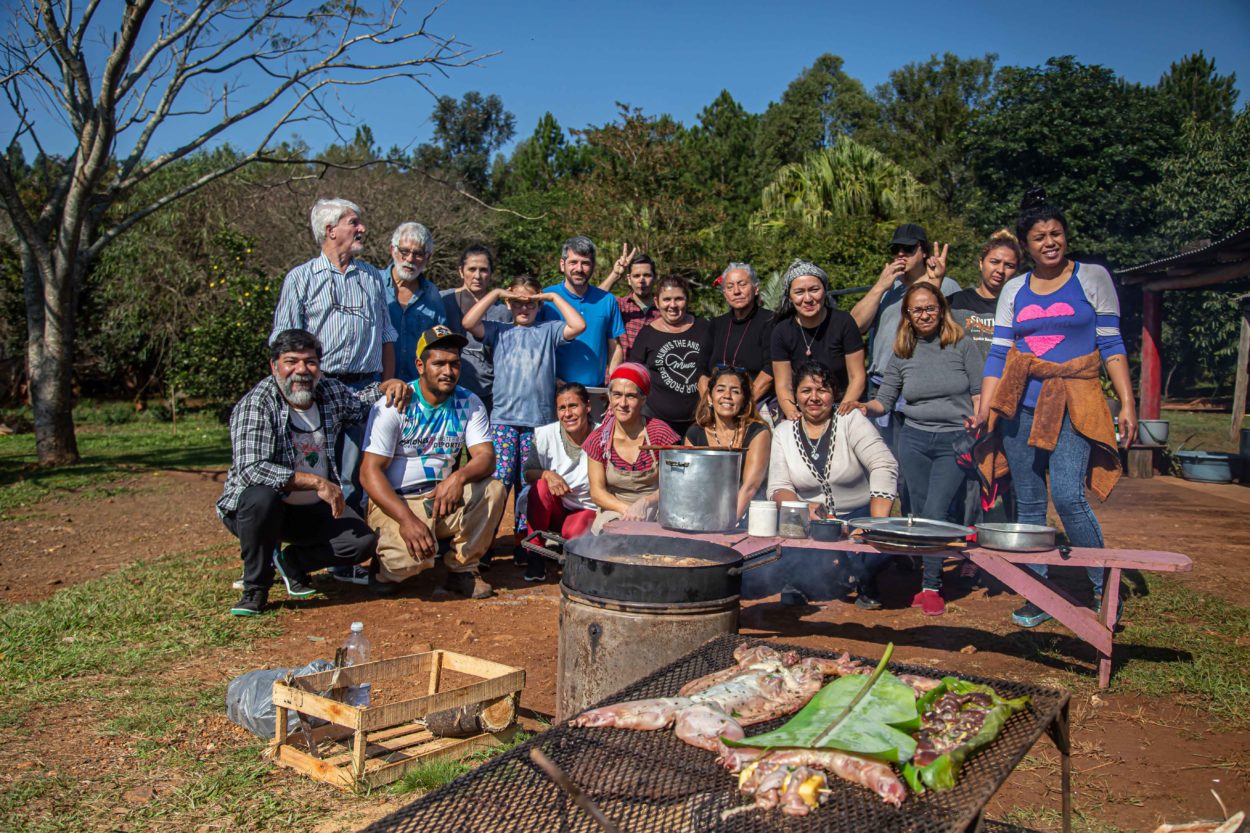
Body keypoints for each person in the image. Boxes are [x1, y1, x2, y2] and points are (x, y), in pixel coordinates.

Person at [973, 188, 1137, 628]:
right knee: (1028, 501)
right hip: (1021, 405)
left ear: (1066, 237)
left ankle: (1105, 589)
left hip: (1075, 402)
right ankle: (1038, 593)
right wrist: (988, 407)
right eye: (1040, 236)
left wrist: (1127, 401)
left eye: (1056, 234)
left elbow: (1111, 343)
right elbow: (999, 355)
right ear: (1026, 247)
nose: (1050, 242)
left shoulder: (1093, 278)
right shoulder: (1014, 288)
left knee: (1067, 495)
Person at [216, 329, 410, 616]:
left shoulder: (328, 391)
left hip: (310, 511)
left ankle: (292, 563)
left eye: (310, 362)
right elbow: (250, 470)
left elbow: (359, 405)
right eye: (291, 362)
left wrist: (387, 387)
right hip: (259, 512)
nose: (302, 371)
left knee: (362, 542)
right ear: (274, 366)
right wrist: (317, 482)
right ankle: (255, 588)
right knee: (261, 497)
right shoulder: (257, 403)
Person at [858, 284, 982, 616]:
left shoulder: (962, 345)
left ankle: (931, 587)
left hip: (952, 440)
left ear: (941, 308)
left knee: (935, 513)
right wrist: (863, 407)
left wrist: (977, 422)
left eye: (929, 308)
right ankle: (925, 577)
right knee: (914, 511)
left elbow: (980, 392)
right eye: (917, 310)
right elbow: (884, 401)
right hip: (913, 439)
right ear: (908, 316)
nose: (924, 315)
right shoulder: (902, 352)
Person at [359, 326, 506, 600]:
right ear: (420, 365)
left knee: (493, 489)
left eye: (454, 364)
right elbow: (369, 473)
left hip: (441, 496)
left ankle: (462, 570)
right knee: (412, 563)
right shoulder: (396, 403)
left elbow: (486, 457)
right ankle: (383, 569)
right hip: (397, 501)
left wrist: (457, 478)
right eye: (439, 363)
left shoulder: (469, 401)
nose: (448, 372)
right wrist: (406, 520)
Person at [271, 198, 398, 513]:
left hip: (365, 389)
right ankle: (309, 548)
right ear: (330, 230)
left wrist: (387, 383)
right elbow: (284, 342)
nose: (362, 229)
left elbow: (386, 336)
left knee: (354, 475)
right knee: (313, 470)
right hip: (317, 389)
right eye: (353, 222)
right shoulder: (300, 278)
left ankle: (348, 556)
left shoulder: (372, 278)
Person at [460, 276, 586, 551]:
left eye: (529, 303)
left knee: (527, 485)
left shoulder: (548, 330)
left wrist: (550, 298)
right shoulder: (499, 330)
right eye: (517, 303)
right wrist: (495, 292)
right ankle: (484, 542)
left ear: (538, 304)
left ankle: (525, 542)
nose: (524, 308)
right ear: (508, 303)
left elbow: (578, 325)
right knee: (500, 481)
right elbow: (468, 323)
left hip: (538, 423)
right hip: (504, 421)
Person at [768, 362, 898, 608]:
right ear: (795, 395)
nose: (814, 398)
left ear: (834, 394)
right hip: (812, 521)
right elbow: (778, 485)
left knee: (871, 557)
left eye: (822, 390)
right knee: (795, 553)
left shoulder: (850, 421)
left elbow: (883, 464)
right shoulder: (783, 432)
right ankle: (804, 581)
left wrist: (876, 524)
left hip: (860, 516)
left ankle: (864, 577)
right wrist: (803, 510)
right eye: (806, 391)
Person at [948, 230, 1022, 531]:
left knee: (1011, 476)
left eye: (1009, 265)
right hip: (967, 403)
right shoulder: (956, 302)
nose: (1000, 270)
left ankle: (1014, 540)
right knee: (970, 477)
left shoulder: (1021, 304)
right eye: (994, 262)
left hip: (1010, 404)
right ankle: (970, 546)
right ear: (981, 263)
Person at [583, 362, 681, 533]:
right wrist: (628, 511)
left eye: (631, 396)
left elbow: (675, 484)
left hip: (657, 508)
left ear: (643, 399)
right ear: (610, 397)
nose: (622, 403)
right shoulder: (598, 440)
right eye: (617, 395)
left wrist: (645, 503)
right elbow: (597, 492)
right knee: (611, 538)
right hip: (615, 509)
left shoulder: (660, 435)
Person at [521, 383, 599, 581]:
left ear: (587, 406)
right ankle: (535, 554)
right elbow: (528, 473)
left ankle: (566, 549)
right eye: (562, 408)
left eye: (573, 406)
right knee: (539, 487)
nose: (568, 414)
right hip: (554, 508)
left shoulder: (602, 436)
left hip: (585, 508)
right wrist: (547, 474)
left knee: (574, 536)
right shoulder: (545, 434)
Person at [770, 259, 866, 420]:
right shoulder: (781, 331)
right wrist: (793, 413)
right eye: (799, 292)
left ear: (824, 290)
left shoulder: (844, 323)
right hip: (803, 408)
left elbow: (857, 376)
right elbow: (783, 384)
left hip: (842, 406)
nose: (808, 299)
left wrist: (844, 411)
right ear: (790, 297)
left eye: (814, 290)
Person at [683, 366, 771, 522]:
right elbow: (691, 485)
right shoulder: (695, 434)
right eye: (720, 390)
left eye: (735, 391)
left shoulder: (758, 432)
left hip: (746, 515)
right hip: (703, 514)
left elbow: (750, 488)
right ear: (710, 397)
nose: (727, 396)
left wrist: (725, 524)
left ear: (744, 400)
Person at [627, 275, 712, 437]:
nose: (672, 305)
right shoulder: (647, 334)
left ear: (687, 300)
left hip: (699, 422)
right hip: (656, 422)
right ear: (657, 302)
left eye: (678, 299)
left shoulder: (704, 328)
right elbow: (635, 376)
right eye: (666, 299)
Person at [539, 236, 626, 386]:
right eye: (573, 262)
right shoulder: (545, 299)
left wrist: (614, 385)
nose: (579, 269)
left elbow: (615, 346)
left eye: (585, 263)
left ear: (593, 266)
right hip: (554, 392)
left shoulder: (607, 300)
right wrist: (551, 379)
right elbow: (534, 346)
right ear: (562, 264)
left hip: (595, 393)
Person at [441, 244, 512, 410]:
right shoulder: (443, 300)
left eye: (483, 270)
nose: (477, 276)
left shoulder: (502, 311)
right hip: (448, 391)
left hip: (489, 396)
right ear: (461, 271)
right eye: (472, 269)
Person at [707, 262, 775, 413]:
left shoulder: (771, 321)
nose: (736, 291)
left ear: (756, 288)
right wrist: (710, 401)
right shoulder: (716, 324)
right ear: (725, 293)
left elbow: (771, 368)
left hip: (756, 404)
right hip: (720, 406)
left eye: (742, 284)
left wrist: (744, 403)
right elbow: (702, 370)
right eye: (730, 287)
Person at [385, 222, 448, 385]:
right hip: (375, 387)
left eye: (418, 254)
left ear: (428, 258)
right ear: (393, 250)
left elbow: (439, 344)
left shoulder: (432, 294)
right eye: (404, 251)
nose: (410, 259)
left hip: (417, 390)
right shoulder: (372, 283)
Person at [598, 246, 660, 355]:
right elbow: (593, 301)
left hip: (652, 371)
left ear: (655, 278)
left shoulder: (665, 309)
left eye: (647, 275)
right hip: (621, 370)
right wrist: (615, 274)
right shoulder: (618, 306)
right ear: (629, 279)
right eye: (636, 276)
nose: (642, 280)